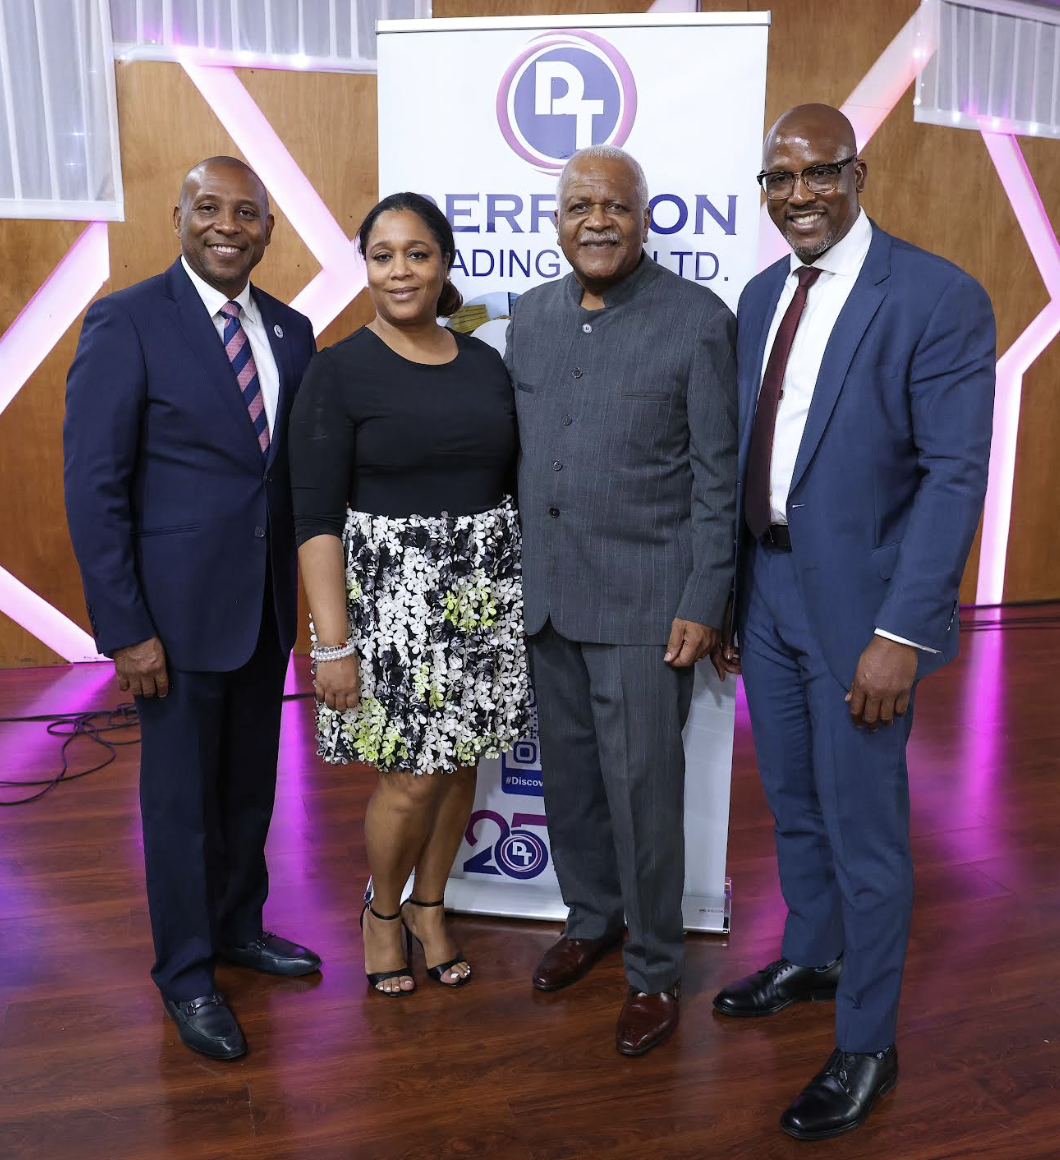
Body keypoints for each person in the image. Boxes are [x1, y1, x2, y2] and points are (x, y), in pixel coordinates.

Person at [710, 104, 996, 1140]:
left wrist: (902, 632)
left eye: (817, 174)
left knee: (865, 827)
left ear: (855, 171)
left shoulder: (934, 296)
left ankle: (866, 1035)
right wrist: (736, 594)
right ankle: (813, 950)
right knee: (790, 798)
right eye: (778, 179)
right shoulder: (755, 296)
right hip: (771, 590)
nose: (797, 196)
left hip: (865, 612)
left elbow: (954, 475)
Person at [64, 157, 320, 1060]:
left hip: (262, 615)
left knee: (250, 790)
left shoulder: (293, 330)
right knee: (179, 805)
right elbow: (95, 488)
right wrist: (124, 627)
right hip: (168, 627)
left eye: (245, 213)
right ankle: (185, 973)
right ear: (178, 216)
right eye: (208, 208)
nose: (227, 225)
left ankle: (238, 931)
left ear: (266, 230)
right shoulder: (127, 320)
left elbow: (285, 481)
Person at [505, 146, 738, 1056]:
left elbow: (718, 479)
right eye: (576, 207)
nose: (595, 221)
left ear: (645, 218)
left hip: (651, 607)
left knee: (645, 793)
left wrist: (705, 594)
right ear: (557, 221)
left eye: (614, 206)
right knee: (570, 784)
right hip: (548, 602)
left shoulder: (697, 322)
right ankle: (591, 916)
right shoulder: (528, 317)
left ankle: (653, 968)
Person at [289, 192, 529, 997]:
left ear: (445, 260)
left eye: (417, 253)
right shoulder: (337, 371)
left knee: (460, 765)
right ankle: (381, 913)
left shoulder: (486, 363)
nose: (401, 270)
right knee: (412, 776)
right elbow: (316, 518)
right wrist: (333, 642)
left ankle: (432, 907)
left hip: (484, 594)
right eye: (383, 255)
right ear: (365, 267)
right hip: (392, 604)